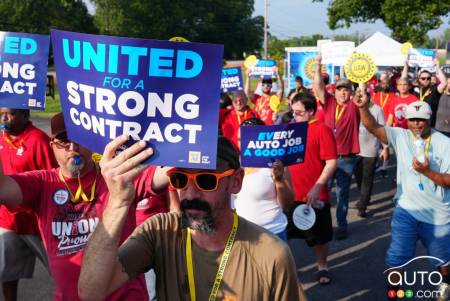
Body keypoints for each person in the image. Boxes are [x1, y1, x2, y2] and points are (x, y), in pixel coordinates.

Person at [78, 136, 306, 301]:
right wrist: (117, 203)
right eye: (180, 179)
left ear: (235, 182)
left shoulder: (271, 253)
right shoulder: (161, 232)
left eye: (206, 181)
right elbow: (91, 291)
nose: (190, 193)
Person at [0, 112, 169, 300]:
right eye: (63, 141)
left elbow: (166, 173)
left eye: (79, 138)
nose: (73, 148)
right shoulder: (42, 183)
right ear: (52, 147)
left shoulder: (116, 176)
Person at [354, 90, 450, 301]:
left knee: (443, 259)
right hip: (406, 210)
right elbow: (373, 127)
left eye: (421, 120)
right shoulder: (400, 135)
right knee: (397, 258)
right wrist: (362, 107)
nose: (416, 124)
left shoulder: (444, 143)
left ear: (429, 120)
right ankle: (394, 295)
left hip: (437, 214)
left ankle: (445, 286)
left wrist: (426, 172)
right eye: (412, 120)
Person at [0, 108, 57, 301]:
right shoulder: (1, 138)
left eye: (10, 114)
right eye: (1, 113)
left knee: (61, 271)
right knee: (7, 272)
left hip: (36, 223)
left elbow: (54, 179)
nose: (4, 118)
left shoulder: (38, 140)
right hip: (9, 221)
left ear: (25, 115)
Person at [287, 93, 337, 285]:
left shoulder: (322, 130)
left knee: (319, 238)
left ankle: (322, 266)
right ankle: (286, 270)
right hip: (290, 194)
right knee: (285, 237)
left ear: (310, 112)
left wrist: (317, 187)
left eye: (299, 113)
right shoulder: (290, 128)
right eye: (293, 112)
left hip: (314, 196)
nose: (295, 116)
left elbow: (331, 162)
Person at [313, 55, 360, 240]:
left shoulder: (355, 106)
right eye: (339, 89)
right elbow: (318, 87)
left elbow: (363, 95)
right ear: (336, 90)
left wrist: (362, 78)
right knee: (322, 191)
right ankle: (320, 224)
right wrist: (318, 65)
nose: (342, 93)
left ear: (350, 92)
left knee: (342, 193)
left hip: (346, 157)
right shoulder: (330, 102)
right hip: (327, 156)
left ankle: (341, 225)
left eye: (346, 90)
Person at [233, 117, 293, 240]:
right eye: (240, 139)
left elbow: (287, 204)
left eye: (247, 138)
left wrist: (279, 179)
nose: (242, 143)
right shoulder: (234, 163)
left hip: (272, 233)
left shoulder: (275, 165)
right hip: (242, 234)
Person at [353, 100, 388, 217]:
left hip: (371, 150)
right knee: (358, 177)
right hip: (356, 150)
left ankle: (362, 206)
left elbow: (383, 129)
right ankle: (365, 198)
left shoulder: (377, 109)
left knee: (367, 178)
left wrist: (385, 148)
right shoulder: (354, 107)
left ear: (369, 96)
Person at [402, 59, 447, 127]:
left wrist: (437, 67)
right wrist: (406, 66)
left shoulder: (434, 89)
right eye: (423, 78)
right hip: (414, 123)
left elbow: (444, 83)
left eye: (428, 78)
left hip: (429, 125)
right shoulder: (414, 88)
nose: (425, 80)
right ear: (418, 79)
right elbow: (403, 80)